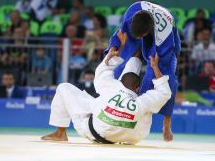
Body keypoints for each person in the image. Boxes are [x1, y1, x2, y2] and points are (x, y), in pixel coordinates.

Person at [41, 30, 171, 144]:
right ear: (138, 89)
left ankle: (60, 133)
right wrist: (154, 66)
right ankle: (126, 139)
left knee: (64, 87)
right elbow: (164, 93)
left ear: (120, 82)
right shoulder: (142, 101)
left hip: (93, 132)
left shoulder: (110, 86)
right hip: (130, 136)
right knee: (147, 110)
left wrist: (122, 47)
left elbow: (105, 67)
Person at [105, 1, 181, 141]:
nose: (140, 39)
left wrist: (141, 96)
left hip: (167, 34)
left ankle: (166, 124)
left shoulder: (164, 36)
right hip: (143, 22)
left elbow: (155, 71)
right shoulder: (131, 13)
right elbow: (121, 34)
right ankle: (115, 108)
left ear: (150, 30)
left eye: (142, 36)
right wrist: (113, 47)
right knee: (119, 66)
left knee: (168, 79)